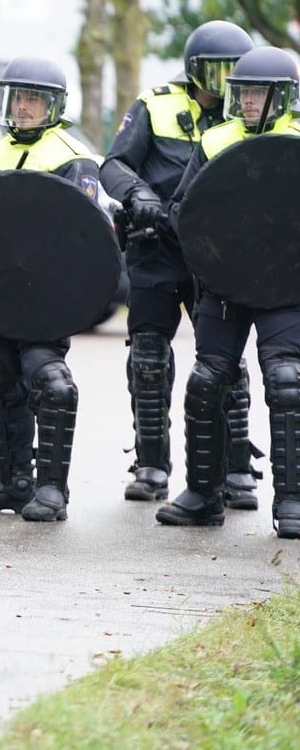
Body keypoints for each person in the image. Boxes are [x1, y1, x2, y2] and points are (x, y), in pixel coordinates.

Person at [102, 20, 258, 506]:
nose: (224, 82)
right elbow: (113, 165)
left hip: (216, 252)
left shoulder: (250, 114)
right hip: (157, 245)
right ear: (194, 71)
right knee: (148, 357)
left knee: (223, 359)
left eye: (233, 73)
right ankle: (151, 465)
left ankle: (234, 468)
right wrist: (139, 194)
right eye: (215, 71)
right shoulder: (154, 104)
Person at [157, 46, 300, 539]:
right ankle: (202, 495)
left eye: (261, 92)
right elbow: (182, 210)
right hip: (223, 285)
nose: (251, 101)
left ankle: (293, 500)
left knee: (286, 381)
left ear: (283, 96)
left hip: (285, 287)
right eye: (244, 92)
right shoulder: (216, 141)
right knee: (206, 381)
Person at [0, 57, 100, 522]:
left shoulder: (72, 157)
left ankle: (52, 491)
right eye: (16, 98)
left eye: (32, 99)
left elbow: (85, 236)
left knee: (48, 380)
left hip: (46, 295)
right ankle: (14, 481)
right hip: (0, 293)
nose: (22, 107)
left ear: (53, 106)